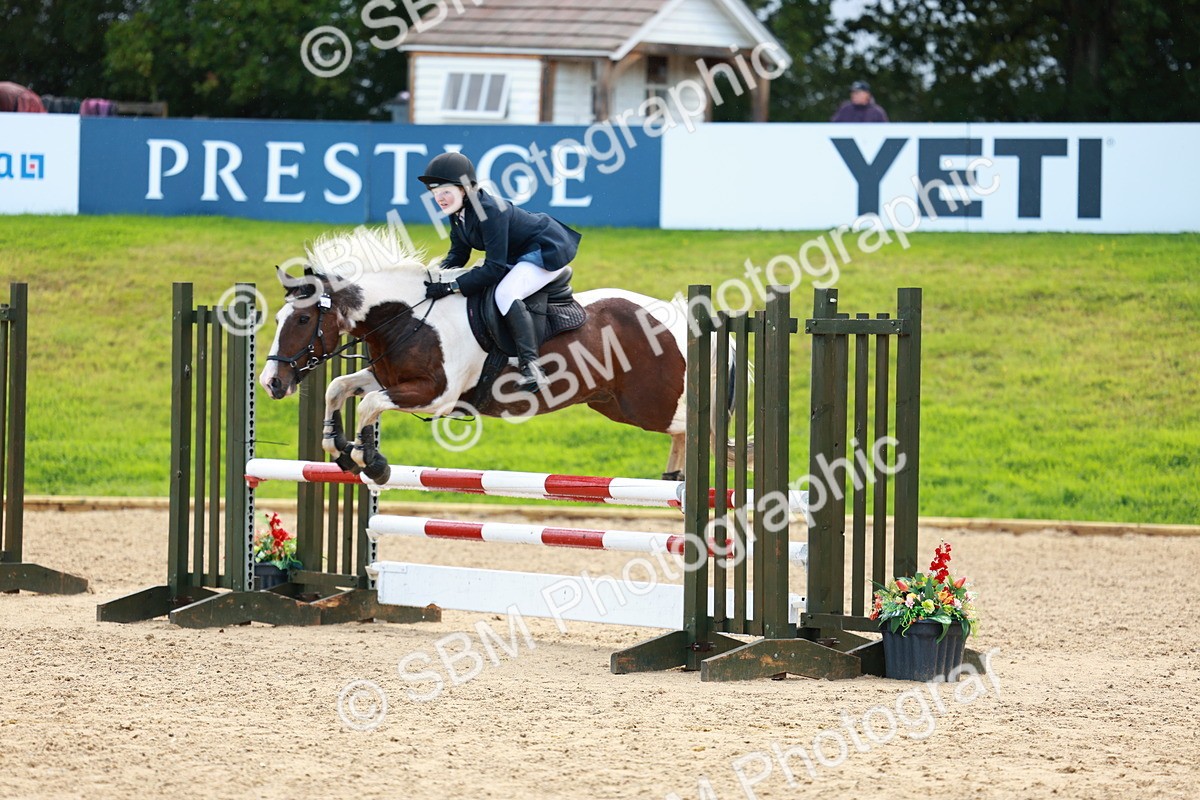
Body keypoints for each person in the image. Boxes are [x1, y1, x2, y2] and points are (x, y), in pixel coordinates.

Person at [419, 152, 582, 393]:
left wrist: (450, 287)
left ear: (465, 189)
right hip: (515, 255)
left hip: (544, 249)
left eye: (445, 192)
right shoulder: (459, 212)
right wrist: (432, 277)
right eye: (435, 193)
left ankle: (532, 367)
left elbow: (493, 269)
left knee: (505, 293)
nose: (439, 199)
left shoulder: (490, 211)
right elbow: (458, 255)